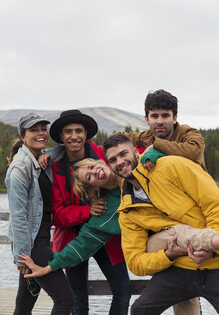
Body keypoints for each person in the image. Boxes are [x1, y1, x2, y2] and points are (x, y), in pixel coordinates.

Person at [19, 156, 219, 280]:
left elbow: (143, 145)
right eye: (89, 177)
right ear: (92, 189)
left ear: (99, 161)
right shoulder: (104, 212)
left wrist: (153, 152)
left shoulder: (133, 169)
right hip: (168, 242)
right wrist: (48, 267)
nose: (94, 172)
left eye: (91, 166)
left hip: (198, 225)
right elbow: (80, 245)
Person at [101, 133, 219, 315]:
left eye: (123, 154)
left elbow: (215, 203)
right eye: (113, 159)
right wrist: (168, 255)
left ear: (135, 152)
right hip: (180, 267)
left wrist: (211, 248)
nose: (120, 162)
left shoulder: (172, 166)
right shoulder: (127, 210)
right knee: (140, 310)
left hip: (216, 263)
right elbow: (135, 262)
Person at [125, 89, 206, 314]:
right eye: (154, 116)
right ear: (147, 118)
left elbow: (193, 150)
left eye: (165, 115)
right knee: (176, 280)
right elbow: (118, 143)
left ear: (175, 117)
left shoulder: (190, 134)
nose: (159, 121)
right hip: (166, 220)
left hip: (196, 213)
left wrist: (156, 149)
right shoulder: (146, 136)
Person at [45, 109, 131, 315]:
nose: (74, 136)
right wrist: (87, 210)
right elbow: (56, 215)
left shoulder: (103, 154)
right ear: (62, 137)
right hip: (73, 238)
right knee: (77, 300)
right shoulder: (54, 167)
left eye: (78, 130)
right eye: (68, 132)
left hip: (107, 236)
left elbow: (131, 155)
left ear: (86, 134)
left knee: (123, 291)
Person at [5, 113, 74, 315]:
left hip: (40, 239)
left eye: (43, 129)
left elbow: (63, 149)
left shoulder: (39, 159)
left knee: (24, 305)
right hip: (33, 245)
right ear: (23, 135)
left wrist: (48, 154)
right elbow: (17, 217)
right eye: (34, 130)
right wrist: (22, 257)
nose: (41, 133)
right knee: (65, 300)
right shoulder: (20, 167)